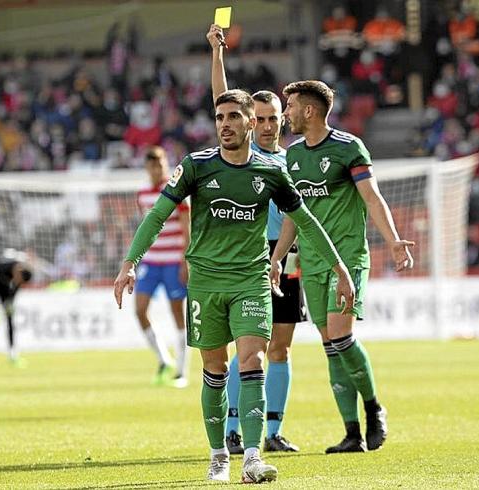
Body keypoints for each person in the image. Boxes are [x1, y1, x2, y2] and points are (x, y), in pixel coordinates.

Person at [114, 89, 355, 483]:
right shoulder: (196, 166)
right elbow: (159, 214)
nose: (224, 124)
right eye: (219, 117)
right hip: (206, 285)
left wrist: (340, 268)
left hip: (250, 281)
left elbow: (307, 221)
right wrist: (129, 263)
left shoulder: (271, 172)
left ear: (249, 121)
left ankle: (254, 457)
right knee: (214, 368)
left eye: (232, 117)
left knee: (252, 361)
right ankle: (218, 455)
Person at [272, 80, 415, 453]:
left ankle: (373, 408)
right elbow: (292, 216)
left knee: (342, 337)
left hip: (348, 259)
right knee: (329, 346)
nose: (285, 114)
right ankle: (351, 433)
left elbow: (371, 196)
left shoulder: (348, 147)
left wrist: (393, 238)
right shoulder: (293, 155)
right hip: (311, 262)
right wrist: (277, 258)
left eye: (290, 107)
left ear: (309, 110)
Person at [207, 24, 306, 454]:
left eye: (272, 119)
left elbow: (298, 215)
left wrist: (284, 255)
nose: (266, 126)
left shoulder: (292, 160)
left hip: (286, 256)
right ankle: (232, 428)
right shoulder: (246, 154)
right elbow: (221, 98)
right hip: (247, 256)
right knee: (247, 345)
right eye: (259, 119)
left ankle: (273, 430)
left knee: (280, 347)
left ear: (283, 120)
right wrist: (217, 54)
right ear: (251, 121)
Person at [135, 146, 190, 387]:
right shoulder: (143, 194)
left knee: (177, 313)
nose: (157, 169)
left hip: (173, 261)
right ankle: (164, 358)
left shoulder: (176, 190)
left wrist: (185, 259)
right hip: (151, 260)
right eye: (152, 165)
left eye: (160, 164)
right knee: (139, 309)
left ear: (165, 164)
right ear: (147, 168)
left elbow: (187, 226)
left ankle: (181, 371)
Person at [0, 250, 33, 367]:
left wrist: (8, 303)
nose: (17, 281)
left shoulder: (19, 279)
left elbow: (12, 293)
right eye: (18, 278)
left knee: (10, 318)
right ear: (18, 271)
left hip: (4, 290)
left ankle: (12, 355)